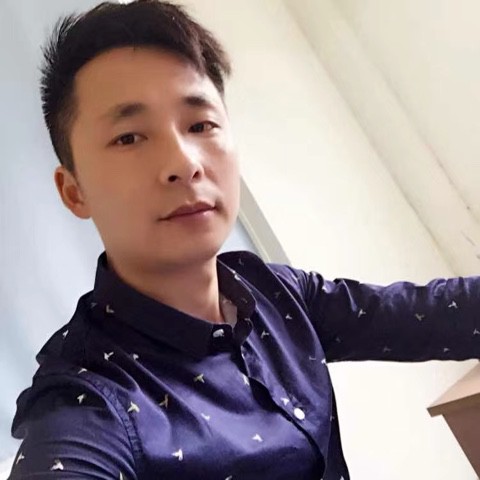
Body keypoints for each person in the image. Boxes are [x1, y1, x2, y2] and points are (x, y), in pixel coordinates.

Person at [7, 1, 480, 479]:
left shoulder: (271, 292)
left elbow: (430, 313)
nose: (184, 163)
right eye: (129, 137)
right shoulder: (88, 403)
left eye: (200, 125)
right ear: (74, 191)